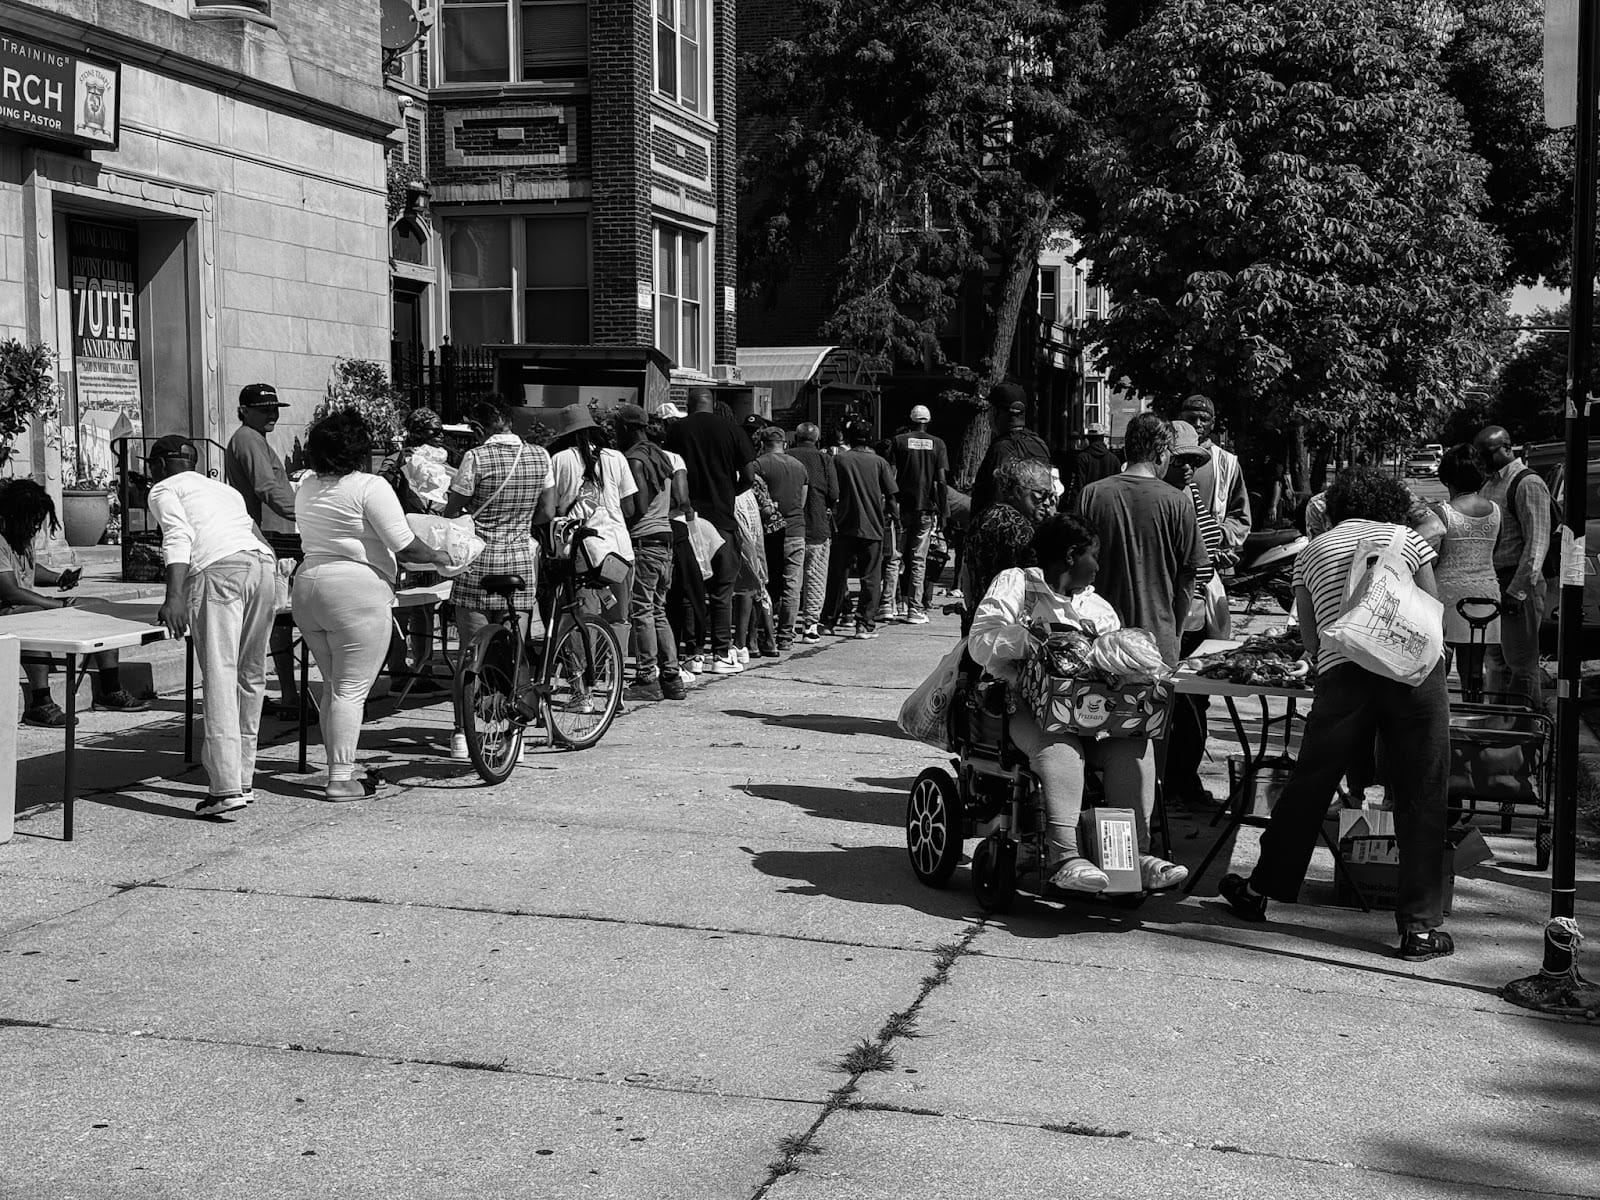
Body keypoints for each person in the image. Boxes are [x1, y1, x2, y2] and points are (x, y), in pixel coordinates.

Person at [1219, 467, 1455, 963]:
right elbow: (1434, 612)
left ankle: (1261, 890)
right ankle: (1419, 929)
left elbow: (1309, 636)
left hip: (1344, 675)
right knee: (1422, 791)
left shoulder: (1313, 550)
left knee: (1310, 785)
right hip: (1413, 676)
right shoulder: (1406, 539)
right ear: (1389, 500)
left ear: (1338, 504)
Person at [969, 513, 1189, 893]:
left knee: (1133, 744)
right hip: (1022, 704)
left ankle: (1135, 855)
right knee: (1061, 749)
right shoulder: (1018, 583)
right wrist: (1029, 639)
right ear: (1072, 555)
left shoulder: (1098, 607)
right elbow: (980, 644)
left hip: (1091, 709)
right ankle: (1066, 856)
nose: (1099, 566)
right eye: (1095, 555)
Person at [291, 409, 453, 801]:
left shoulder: (307, 485)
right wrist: (441, 556)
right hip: (356, 590)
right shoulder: (369, 486)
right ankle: (341, 778)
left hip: (309, 584)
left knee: (333, 686)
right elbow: (404, 543)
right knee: (350, 690)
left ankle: (337, 768)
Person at [146, 435, 277, 816]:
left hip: (220, 571)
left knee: (221, 674)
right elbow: (253, 532)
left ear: (157, 464)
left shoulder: (163, 489)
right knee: (251, 676)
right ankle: (243, 778)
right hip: (261, 567)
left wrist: (174, 597)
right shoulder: (223, 490)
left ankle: (224, 788)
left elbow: (178, 535)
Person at [442, 399, 553, 760]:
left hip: (479, 560)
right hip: (520, 561)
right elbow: (547, 511)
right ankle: (513, 733)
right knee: (515, 651)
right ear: (509, 421)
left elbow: (453, 510)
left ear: (479, 427)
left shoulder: (475, 457)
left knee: (469, 653)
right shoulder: (540, 457)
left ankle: (462, 733)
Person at [0, 480, 149, 727]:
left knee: (99, 607)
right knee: (34, 618)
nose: (36, 526)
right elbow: (11, 591)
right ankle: (40, 703)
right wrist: (56, 606)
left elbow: (29, 570)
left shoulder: (20, 535)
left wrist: (58, 577)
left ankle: (110, 689)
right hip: (7, 609)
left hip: (23, 604)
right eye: (32, 520)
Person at [1078, 412, 1206, 667]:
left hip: (1100, 643)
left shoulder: (1091, 496)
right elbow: (1187, 578)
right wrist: (1176, 632)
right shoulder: (1178, 503)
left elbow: (1075, 568)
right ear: (1162, 452)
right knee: (1153, 707)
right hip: (1157, 643)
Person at [1161, 421, 1229, 811]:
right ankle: (1175, 784)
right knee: (1180, 709)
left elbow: (1202, 549)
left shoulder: (1190, 495)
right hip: (1175, 617)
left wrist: (1214, 557)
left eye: (1193, 461)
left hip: (1196, 614)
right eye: (1180, 459)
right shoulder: (1168, 499)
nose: (1188, 468)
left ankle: (1183, 781)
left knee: (1194, 706)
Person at [224, 382, 301, 719]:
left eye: (276, 409)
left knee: (279, 618)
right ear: (244, 410)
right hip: (265, 535)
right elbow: (267, 488)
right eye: (265, 409)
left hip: (269, 532)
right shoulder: (247, 439)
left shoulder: (256, 439)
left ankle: (288, 693)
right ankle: (281, 694)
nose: (273, 415)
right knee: (276, 617)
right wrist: (308, 513)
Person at [666, 388, 754, 675]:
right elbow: (750, 475)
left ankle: (693, 653)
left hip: (688, 518)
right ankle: (721, 652)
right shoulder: (731, 429)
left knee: (691, 589)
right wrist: (730, 492)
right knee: (722, 589)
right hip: (722, 518)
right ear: (713, 404)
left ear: (688, 405)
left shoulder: (677, 430)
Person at [547, 404, 637, 664]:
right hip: (619, 551)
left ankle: (582, 686)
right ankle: (614, 683)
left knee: (580, 616)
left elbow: (551, 508)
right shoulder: (616, 458)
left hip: (580, 553)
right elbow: (629, 507)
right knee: (619, 618)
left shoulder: (559, 460)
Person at [1475, 425, 1552, 708]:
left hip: (1518, 585)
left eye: (1487, 453)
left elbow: (1537, 543)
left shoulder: (1527, 483)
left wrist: (1518, 591)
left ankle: (1527, 734)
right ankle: (1497, 730)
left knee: (1521, 665)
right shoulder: (1491, 483)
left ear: (1507, 448)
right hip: (1495, 584)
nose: (1482, 460)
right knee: (1495, 661)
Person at [615, 403, 685, 701]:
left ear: (627, 428)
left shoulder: (635, 459)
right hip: (665, 537)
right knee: (658, 609)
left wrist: (619, 518)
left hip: (644, 540)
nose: (614, 433)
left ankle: (647, 677)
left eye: (616, 427)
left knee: (641, 609)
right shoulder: (660, 454)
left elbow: (638, 506)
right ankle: (672, 676)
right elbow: (675, 499)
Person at [1177, 394, 1250, 639]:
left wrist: (1218, 537)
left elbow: (1240, 516)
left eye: (1203, 419)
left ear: (1213, 423)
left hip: (1208, 567)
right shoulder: (1162, 461)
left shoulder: (1226, 463)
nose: (1198, 424)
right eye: (1191, 418)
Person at [819, 419, 898, 638]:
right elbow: (891, 497)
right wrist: (894, 519)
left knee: (837, 576)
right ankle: (864, 624)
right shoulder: (880, 462)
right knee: (871, 578)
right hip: (872, 526)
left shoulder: (839, 460)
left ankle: (828, 621)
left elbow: (831, 492)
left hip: (843, 525)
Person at [1432, 444, 1501, 693]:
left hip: (1446, 595)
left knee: (1440, 661)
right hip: (1486, 593)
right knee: (1473, 667)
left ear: (1448, 478)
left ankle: (1443, 717)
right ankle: (1476, 712)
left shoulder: (1443, 512)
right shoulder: (1495, 511)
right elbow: (1495, 550)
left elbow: (1431, 557)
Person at [961, 458, 1054, 631]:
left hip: (980, 619)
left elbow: (966, 573)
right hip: (1008, 625)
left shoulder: (985, 516)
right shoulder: (1017, 525)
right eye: (1042, 494)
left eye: (1051, 496)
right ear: (1018, 491)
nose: (1048, 502)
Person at [889, 405, 949, 625]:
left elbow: (892, 475)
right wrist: (944, 510)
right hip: (925, 508)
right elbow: (941, 481)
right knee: (918, 560)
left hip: (901, 507)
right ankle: (915, 608)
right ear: (928, 421)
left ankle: (889, 604)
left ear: (911, 419)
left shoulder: (899, 441)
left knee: (895, 557)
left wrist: (891, 503)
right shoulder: (938, 444)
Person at [754, 426, 808, 650]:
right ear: (784, 443)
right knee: (792, 586)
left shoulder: (758, 465)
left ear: (762, 444)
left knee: (764, 584)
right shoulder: (799, 466)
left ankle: (763, 633)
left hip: (769, 532)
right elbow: (802, 501)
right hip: (796, 530)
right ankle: (786, 635)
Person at [787, 422, 838, 644]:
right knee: (815, 577)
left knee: (789, 579)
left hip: (788, 527)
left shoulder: (786, 456)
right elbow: (834, 493)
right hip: (817, 525)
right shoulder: (824, 459)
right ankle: (810, 625)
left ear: (796, 438)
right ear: (816, 439)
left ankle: (784, 626)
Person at [970, 382, 1051, 516]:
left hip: (1009, 528)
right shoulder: (1040, 444)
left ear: (995, 412)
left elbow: (995, 500)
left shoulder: (1001, 449)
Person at [1072, 421, 1121, 498]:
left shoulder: (1082, 458)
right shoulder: (1114, 460)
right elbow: (1118, 486)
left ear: (1088, 438)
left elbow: (1078, 484)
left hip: (1088, 501)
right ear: (1102, 438)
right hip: (1108, 501)